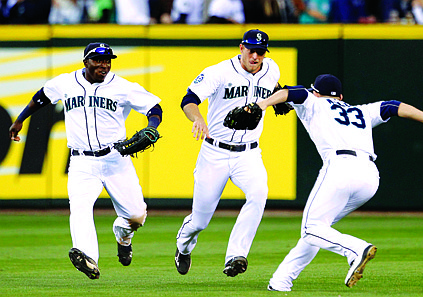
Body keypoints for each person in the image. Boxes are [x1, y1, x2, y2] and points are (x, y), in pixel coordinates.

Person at [254, 74, 423, 291]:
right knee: (320, 228)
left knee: (312, 228)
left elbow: (293, 93)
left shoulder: (313, 101)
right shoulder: (361, 111)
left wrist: (262, 104)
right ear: (341, 96)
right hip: (369, 177)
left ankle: (356, 249)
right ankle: (281, 281)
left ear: (316, 92)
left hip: (340, 167)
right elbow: (393, 106)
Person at [9, 42, 163, 280]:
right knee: (80, 209)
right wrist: (20, 120)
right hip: (82, 162)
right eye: (98, 60)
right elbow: (42, 97)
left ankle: (123, 235)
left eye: (108, 60)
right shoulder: (65, 82)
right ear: (86, 62)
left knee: (136, 216)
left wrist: (152, 126)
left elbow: (154, 107)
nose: (104, 64)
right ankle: (88, 258)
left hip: (115, 158)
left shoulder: (122, 86)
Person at [174, 29, 280, 277]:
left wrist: (278, 100)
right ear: (241, 47)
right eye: (251, 50)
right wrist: (198, 118)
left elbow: (274, 86)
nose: (255, 56)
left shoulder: (271, 68)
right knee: (200, 221)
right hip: (215, 152)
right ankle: (183, 246)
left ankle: (236, 256)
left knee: (258, 194)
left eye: (260, 51)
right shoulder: (219, 72)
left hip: (249, 152)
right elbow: (188, 99)